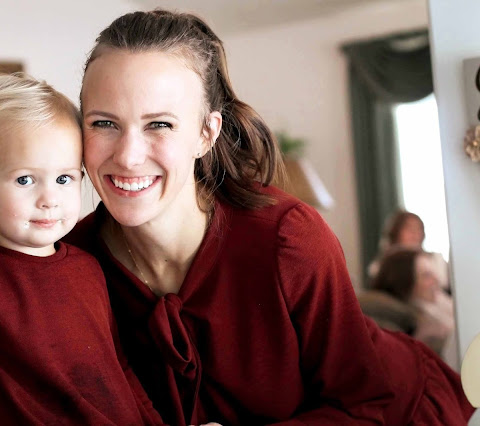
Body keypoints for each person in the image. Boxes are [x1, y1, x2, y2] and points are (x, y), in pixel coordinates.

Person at [65, 9, 475, 425]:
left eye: (159, 124)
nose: (128, 156)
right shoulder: (69, 261)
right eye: (104, 123)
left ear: (206, 134)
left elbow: (363, 406)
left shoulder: (289, 239)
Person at [0, 74, 162, 425]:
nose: (49, 199)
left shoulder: (90, 267)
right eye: (25, 179)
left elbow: (120, 369)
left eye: (64, 178)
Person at [372, 248, 455, 356]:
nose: (437, 280)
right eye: (426, 276)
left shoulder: (440, 304)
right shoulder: (418, 324)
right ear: (404, 282)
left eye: (434, 274)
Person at [368, 210, 449, 292]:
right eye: (409, 228)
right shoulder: (381, 266)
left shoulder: (436, 259)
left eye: (419, 229)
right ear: (396, 232)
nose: (415, 233)